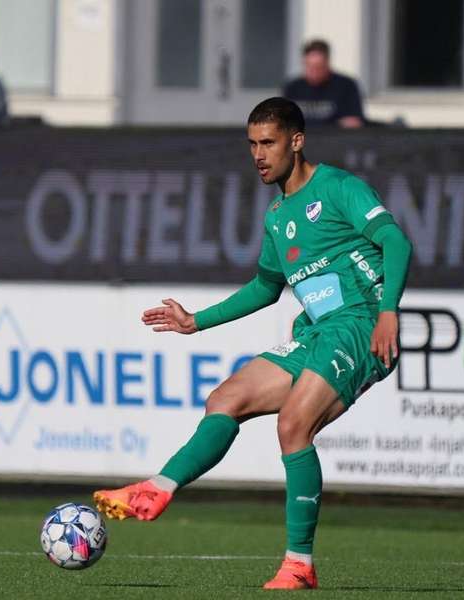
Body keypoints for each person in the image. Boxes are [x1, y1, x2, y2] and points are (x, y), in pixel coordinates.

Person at [94, 97, 412, 589]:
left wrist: (388, 310)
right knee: (225, 398)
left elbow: (397, 242)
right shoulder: (278, 215)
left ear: (296, 141)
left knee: (293, 426)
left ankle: (298, 565)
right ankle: (157, 488)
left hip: (360, 323)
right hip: (315, 331)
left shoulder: (340, 187)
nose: (258, 154)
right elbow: (266, 288)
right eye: (252, 144)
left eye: (268, 143)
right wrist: (195, 321)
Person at [282, 39, 364, 128]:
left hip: (336, 139)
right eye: (310, 67)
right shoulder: (293, 88)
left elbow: (354, 122)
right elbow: (285, 124)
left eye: (318, 67)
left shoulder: (346, 86)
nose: (314, 72)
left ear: (327, 63)